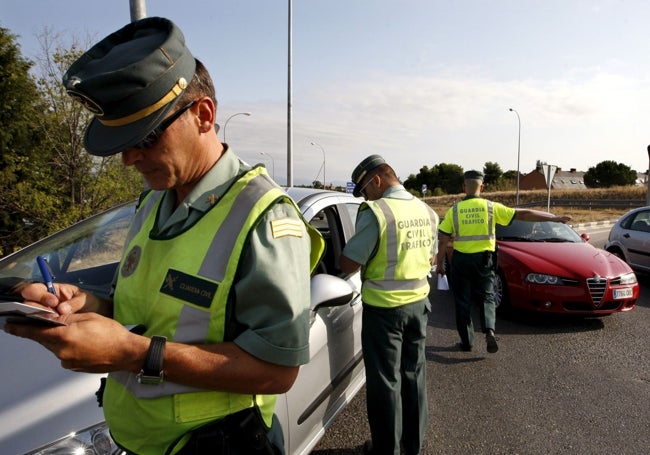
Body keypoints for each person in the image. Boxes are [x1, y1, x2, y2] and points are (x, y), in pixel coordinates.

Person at [3, 17, 324, 455]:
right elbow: (145, 307)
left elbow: (277, 372)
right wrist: (87, 303)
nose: (129, 159)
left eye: (147, 137)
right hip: (140, 440)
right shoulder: (153, 201)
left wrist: (136, 354)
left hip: (219, 444)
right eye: (123, 143)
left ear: (204, 115)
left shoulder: (265, 219)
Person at [339, 155, 438, 455]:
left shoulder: (378, 211)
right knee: (414, 375)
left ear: (377, 181)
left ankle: (387, 450)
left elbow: (348, 262)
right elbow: (431, 259)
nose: (365, 196)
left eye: (364, 189)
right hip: (419, 306)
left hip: (384, 312)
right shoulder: (427, 211)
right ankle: (413, 446)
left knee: (385, 383)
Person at [437, 170, 571, 353]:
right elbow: (523, 214)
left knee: (462, 302)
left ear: (464, 187)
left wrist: (439, 265)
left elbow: (443, 240)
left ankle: (467, 342)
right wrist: (553, 218)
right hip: (484, 260)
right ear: (482, 187)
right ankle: (489, 331)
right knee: (486, 297)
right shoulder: (491, 207)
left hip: (461, 261)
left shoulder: (454, 210)